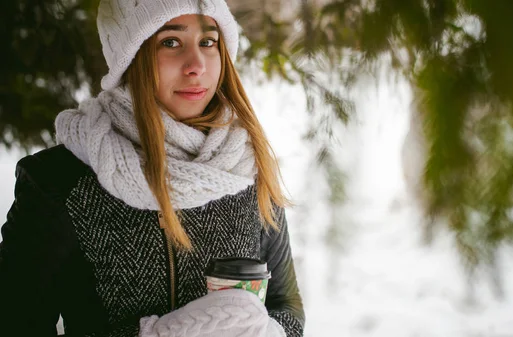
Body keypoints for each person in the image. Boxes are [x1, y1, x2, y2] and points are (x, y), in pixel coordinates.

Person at [0, 0, 304, 336]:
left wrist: (271, 332)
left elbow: (284, 303)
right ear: (131, 59)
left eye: (208, 42)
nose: (196, 65)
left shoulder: (248, 166)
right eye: (170, 43)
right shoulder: (59, 179)